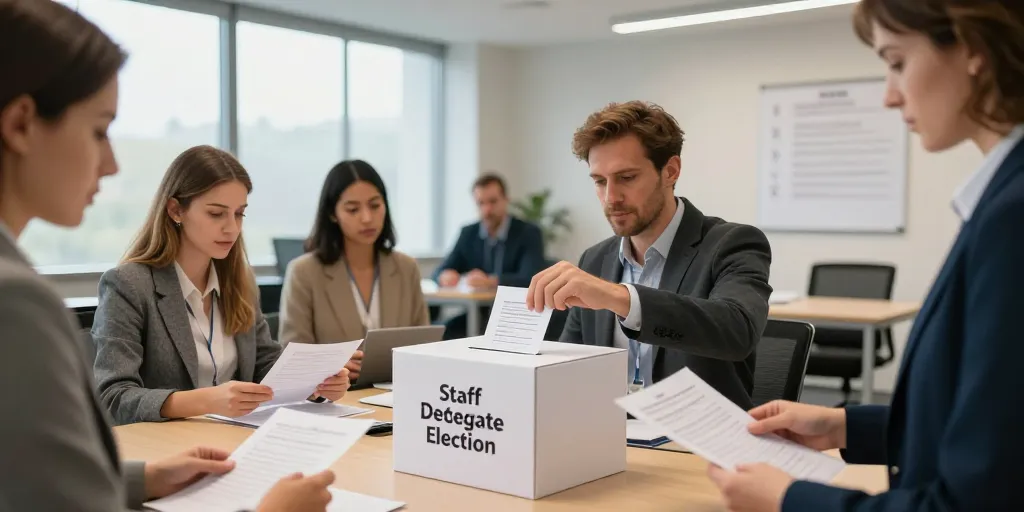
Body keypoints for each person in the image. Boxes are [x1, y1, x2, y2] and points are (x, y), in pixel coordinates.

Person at [0, 0, 334, 510]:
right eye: (98, 129)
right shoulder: (27, 299)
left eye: (239, 214)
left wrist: (309, 379)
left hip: (213, 453)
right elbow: (98, 427)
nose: (111, 163)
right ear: (21, 124)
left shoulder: (235, 278)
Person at [705, 1, 1024, 511]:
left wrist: (790, 501)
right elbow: (991, 427)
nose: (890, 96)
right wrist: (845, 425)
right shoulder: (1001, 199)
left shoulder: (1013, 216)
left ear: (974, 49)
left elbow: (978, 498)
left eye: (897, 61)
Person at [526, 101, 772, 409]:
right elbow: (569, 368)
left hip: (696, 444)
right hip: (609, 435)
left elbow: (737, 331)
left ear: (670, 171)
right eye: (600, 181)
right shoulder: (595, 259)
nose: (611, 198)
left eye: (627, 178)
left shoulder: (732, 243)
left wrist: (621, 298)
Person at [92, 145, 351, 426]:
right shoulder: (129, 285)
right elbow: (114, 397)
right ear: (176, 210)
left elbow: (264, 364)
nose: (232, 228)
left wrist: (316, 384)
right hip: (166, 450)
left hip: (235, 438)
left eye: (239, 214)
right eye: (217, 214)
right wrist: (208, 400)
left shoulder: (240, 281)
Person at [279, 159, 429, 381]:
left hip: (397, 393)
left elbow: (424, 346)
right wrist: (328, 364)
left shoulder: (406, 268)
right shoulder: (304, 272)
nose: (367, 218)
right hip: (332, 399)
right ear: (333, 214)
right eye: (353, 209)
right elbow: (292, 355)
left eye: (375, 205)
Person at [434, 173, 546, 339]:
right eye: (481, 203)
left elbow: (531, 278)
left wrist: (490, 281)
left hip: (516, 316)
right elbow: (441, 270)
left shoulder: (528, 233)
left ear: (506, 200)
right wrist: (445, 275)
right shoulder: (468, 233)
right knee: (441, 334)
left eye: (493, 202)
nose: (487, 209)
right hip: (478, 314)